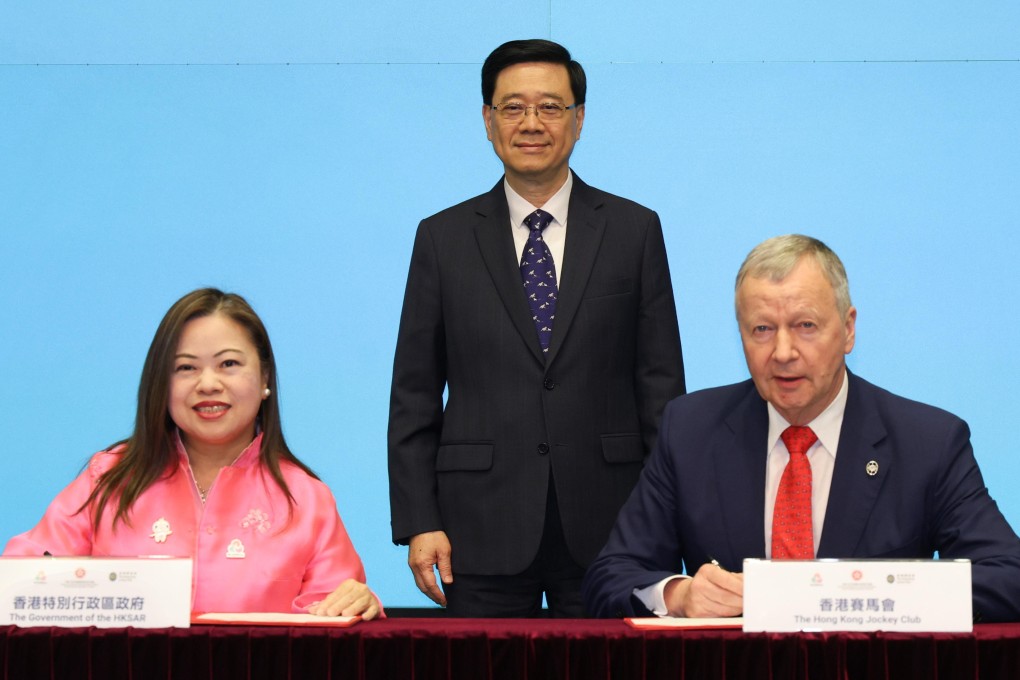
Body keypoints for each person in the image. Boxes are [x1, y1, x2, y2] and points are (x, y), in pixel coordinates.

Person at [388, 39, 685, 617]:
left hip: (611, 525)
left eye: (550, 107)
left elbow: (660, 391)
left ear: (578, 120)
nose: (531, 123)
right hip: (477, 525)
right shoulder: (442, 238)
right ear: (487, 120)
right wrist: (419, 520)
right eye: (512, 107)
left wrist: (665, 522)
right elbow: (414, 396)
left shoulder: (634, 230)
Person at [583, 234, 1020, 622]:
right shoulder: (691, 430)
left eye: (805, 326)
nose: (783, 352)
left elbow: (1008, 576)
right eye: (762, 330)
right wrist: (679, 595)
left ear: (848, 330)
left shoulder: (928, 442)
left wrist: (877, 591)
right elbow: (611, 575)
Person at [4, 288, 382, 619]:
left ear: (265, 377)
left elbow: (333, 615)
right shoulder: (110, 477)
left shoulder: (306, 498)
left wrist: (355, 603)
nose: (208, 384)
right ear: (161, 383)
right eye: (186, 368)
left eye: (228, 364)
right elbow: (23, 577)